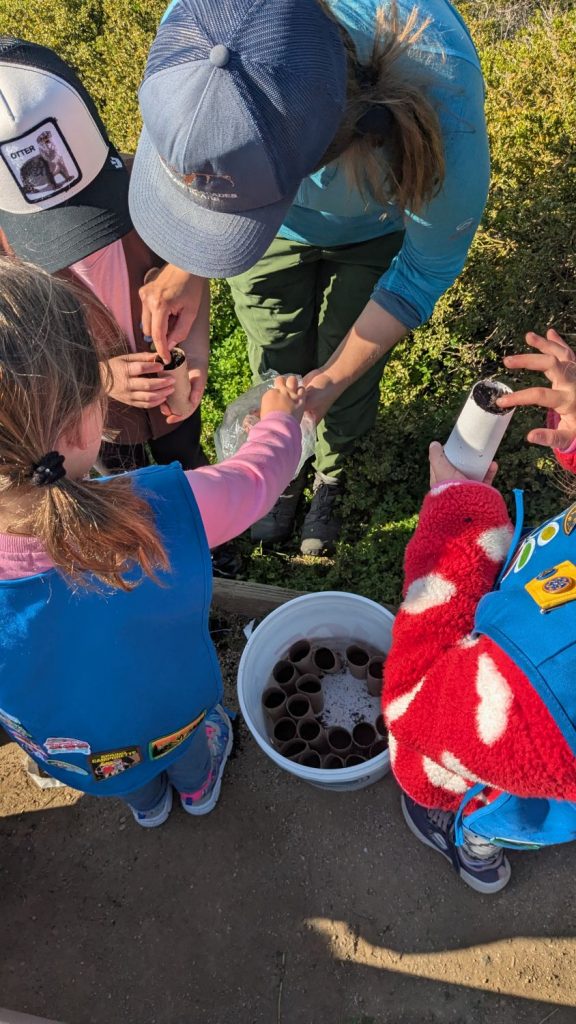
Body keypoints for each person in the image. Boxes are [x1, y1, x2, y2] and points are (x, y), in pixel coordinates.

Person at [128, 0, 490, 555]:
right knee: (273, 347)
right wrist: (191, 261)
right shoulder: (202, 27)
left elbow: (421, 271)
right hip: (268, 229)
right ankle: (281, 465)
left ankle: (329, 471)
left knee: (341, 373)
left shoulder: (444, 95)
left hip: (373, 233)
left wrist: (327, 387)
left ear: (334, 148)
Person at [0, 257, 305, 827]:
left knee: (122, 779)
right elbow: (257, 481)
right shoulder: (158, 507)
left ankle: (147, 807)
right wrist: (280, 420)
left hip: (72, 747)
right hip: (170, 715)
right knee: (188, 748)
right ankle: (197, 787)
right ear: (81, 425)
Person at [382, 328, 576, 893]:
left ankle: (474, 842)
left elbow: (417, 704)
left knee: (493, 806)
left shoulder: (549, 667)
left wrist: (460, 522)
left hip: (511, 742)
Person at [0, 38, 209, 478]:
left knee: (186, 458)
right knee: (116, 485)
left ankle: (208, 531)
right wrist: (98, 379)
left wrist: (194, 351)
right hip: (92, 418)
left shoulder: (149, 184)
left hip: (173, 394)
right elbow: (19, 367)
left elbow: (189, 271)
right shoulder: (6, 261)